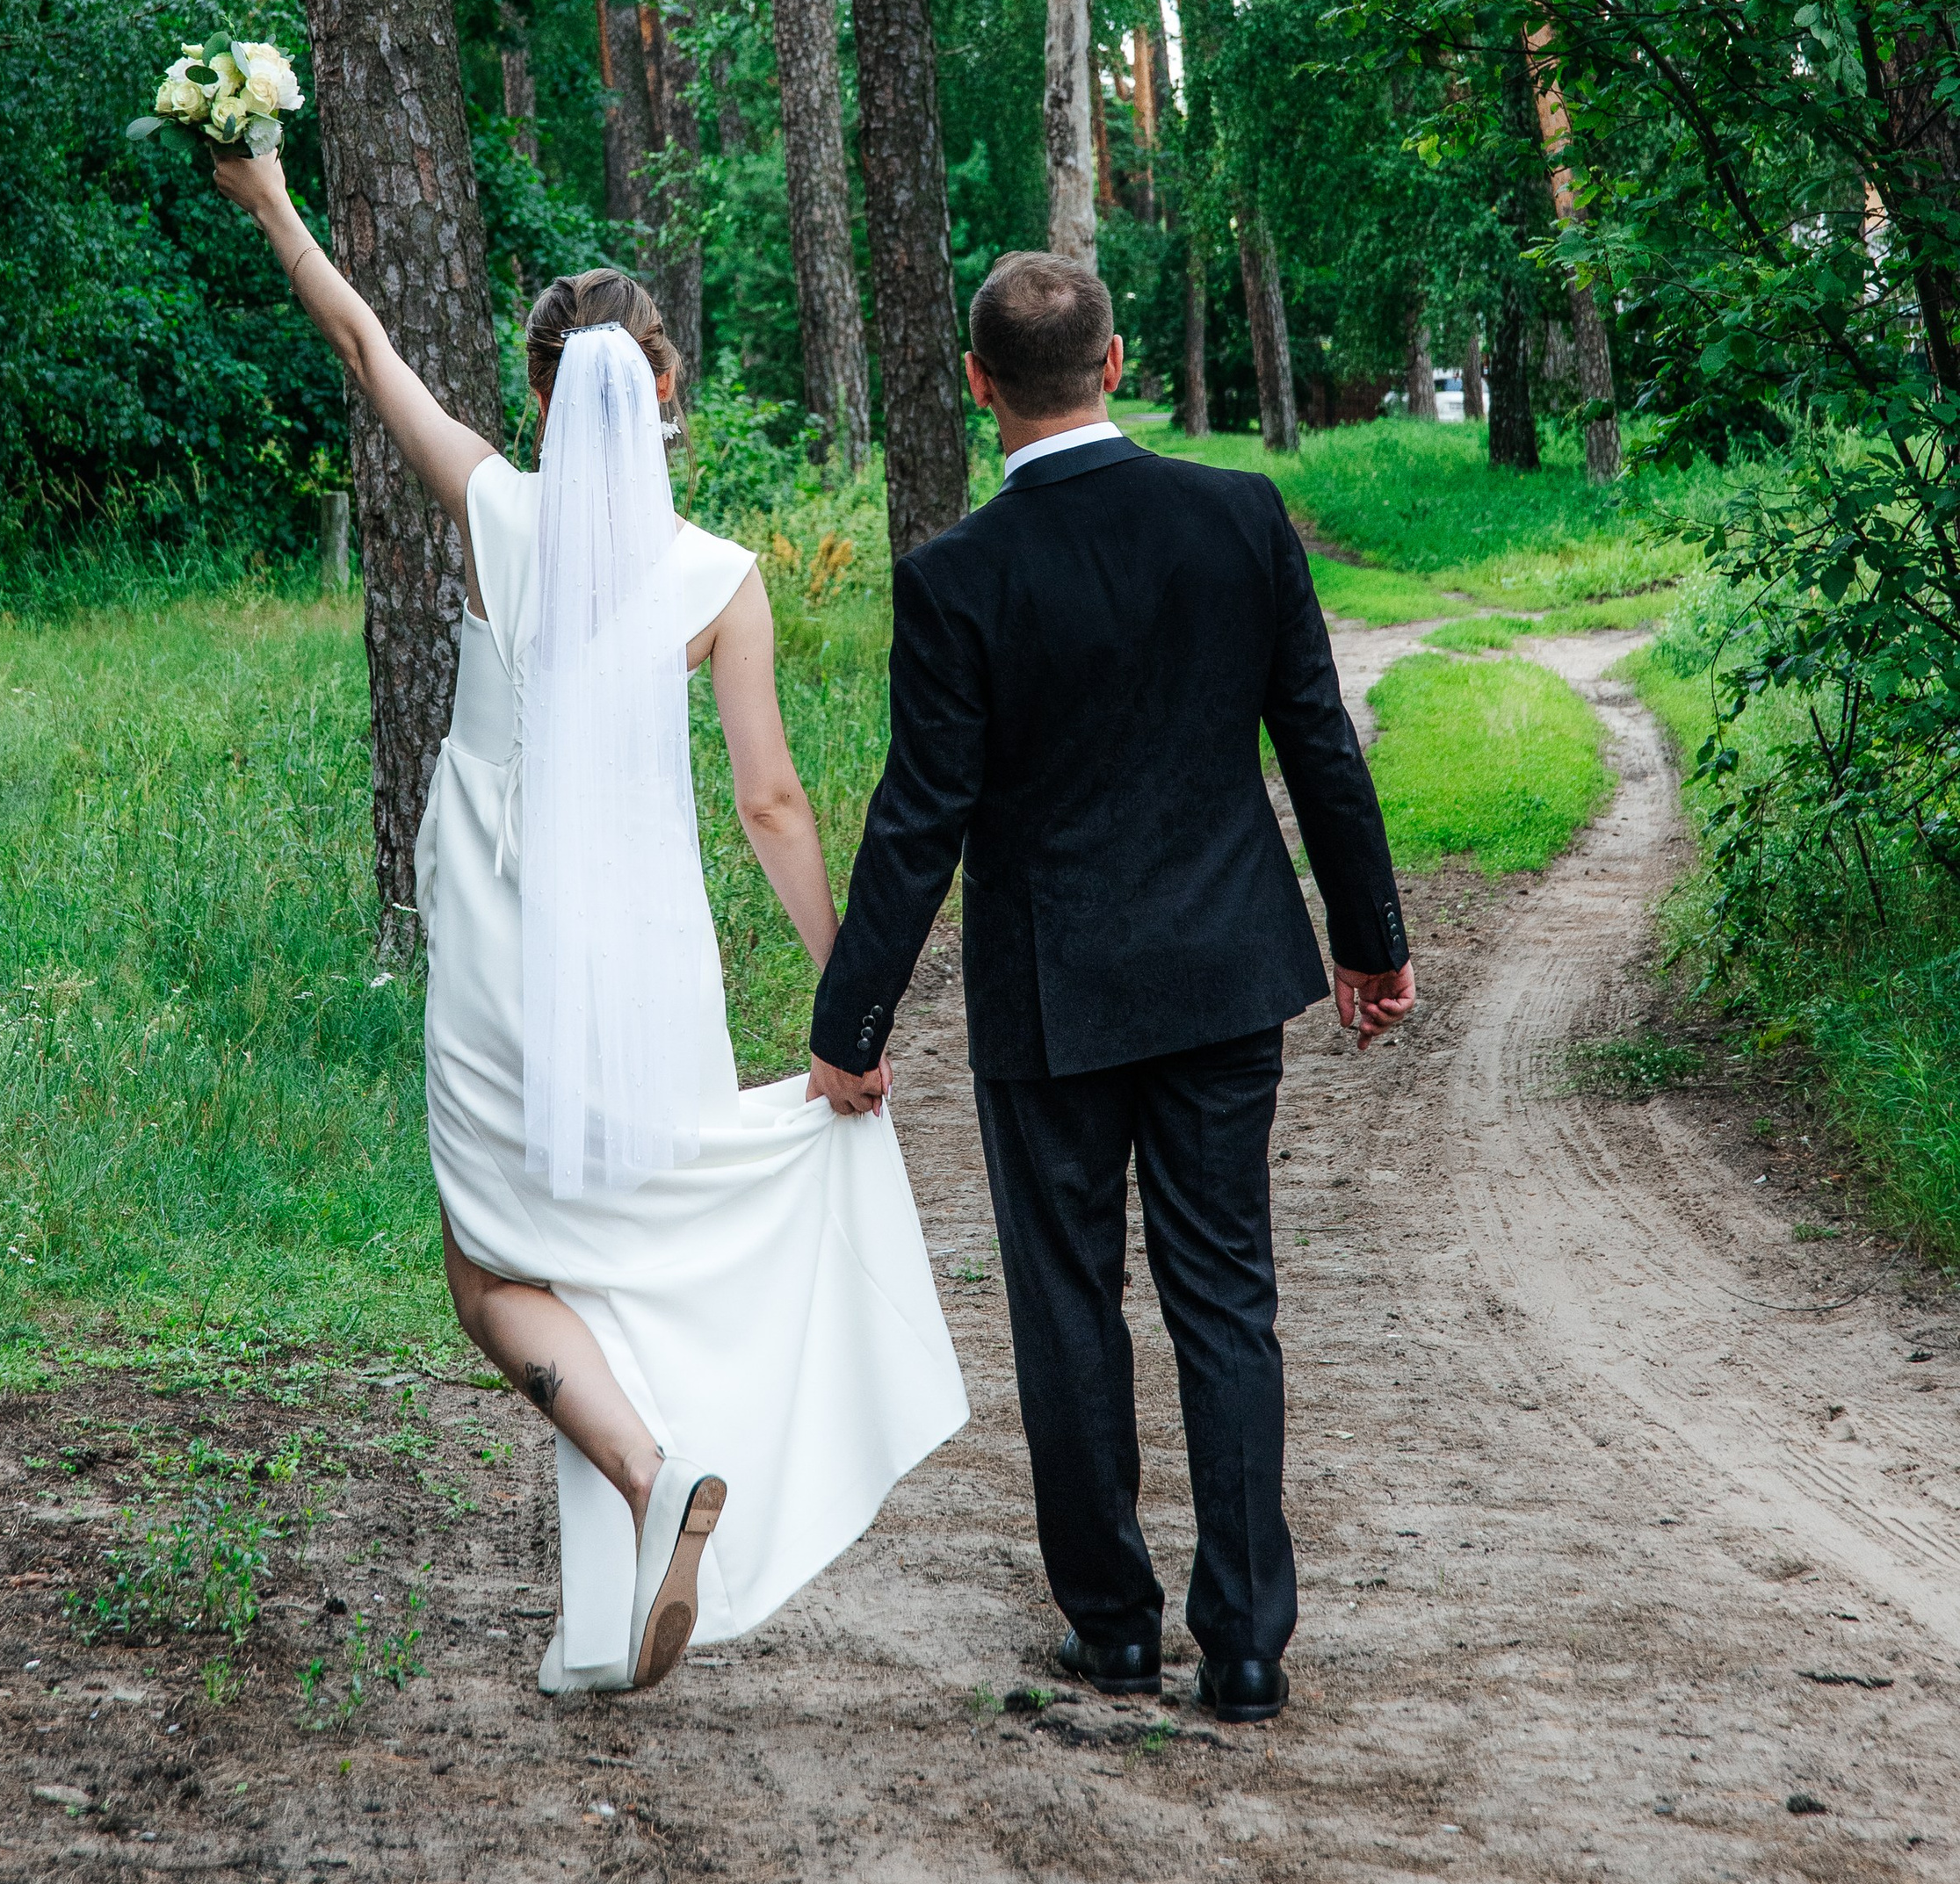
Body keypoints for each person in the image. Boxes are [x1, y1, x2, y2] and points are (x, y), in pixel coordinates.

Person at [213, 153, 966, 1696]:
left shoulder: (501, 510)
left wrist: (275, 199)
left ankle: (650, 1470)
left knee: (492, 1272)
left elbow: (364, 346)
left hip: (501, 947)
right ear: (670, 385)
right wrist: (852, 1006)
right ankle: (608, 1612)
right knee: (606, 1258)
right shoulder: (723, 577)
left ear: (545, 392)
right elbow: (773, 807)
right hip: (648, 957)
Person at [807, 250, 1414, 1724]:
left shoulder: (957, 576)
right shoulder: (1236, 516)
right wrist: (1370, 939)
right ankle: (1252, 1644)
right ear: (1118, 361)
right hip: (1220, 977)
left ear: (976, 385)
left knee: (1068, 1304)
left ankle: (1116, 1630)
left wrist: (851, 1026)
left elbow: (917, 814)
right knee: (1227, 1297)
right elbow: (1317, 741)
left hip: (1051, 998)